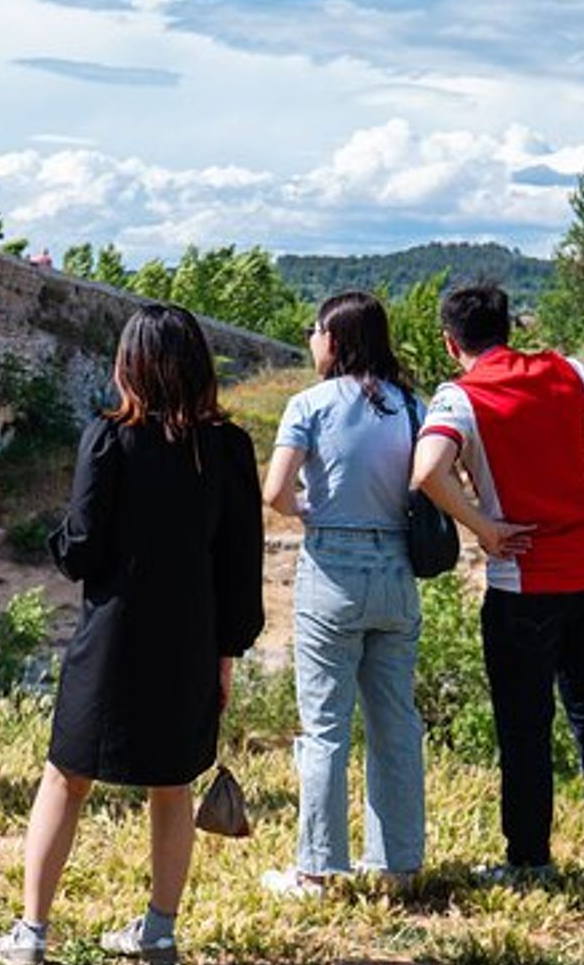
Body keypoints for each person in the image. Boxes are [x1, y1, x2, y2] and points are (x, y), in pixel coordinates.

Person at [0, 303, 263, 965]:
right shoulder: (229, 448)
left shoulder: (109, 439)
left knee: (65, 777)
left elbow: (82, 550)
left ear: (129, 365)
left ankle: (31, 934)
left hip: (113, 637)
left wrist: (57, 535)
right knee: (173, 784)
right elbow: (241, 562)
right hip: (191, 637)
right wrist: (227, 651)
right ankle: (160, 930)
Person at [411, 283, 584, 879]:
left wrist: (483, 526)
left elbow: (426, 473)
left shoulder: (460, 397)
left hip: (523, 581)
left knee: (524, 726)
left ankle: (528, 860)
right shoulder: (564, 371)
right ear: (509, 328)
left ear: (450, 343)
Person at [258, 292, 428, 896]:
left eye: (315, 330)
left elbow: (275, 492)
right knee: (396, 724)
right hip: (397, 571)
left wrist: (314, 511)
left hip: (332, 569)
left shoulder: (309, 404)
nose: (310, 339)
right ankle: (399, 864)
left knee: (326, 725)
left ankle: (317, 868)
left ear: (334, 338)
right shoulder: (413, 406)